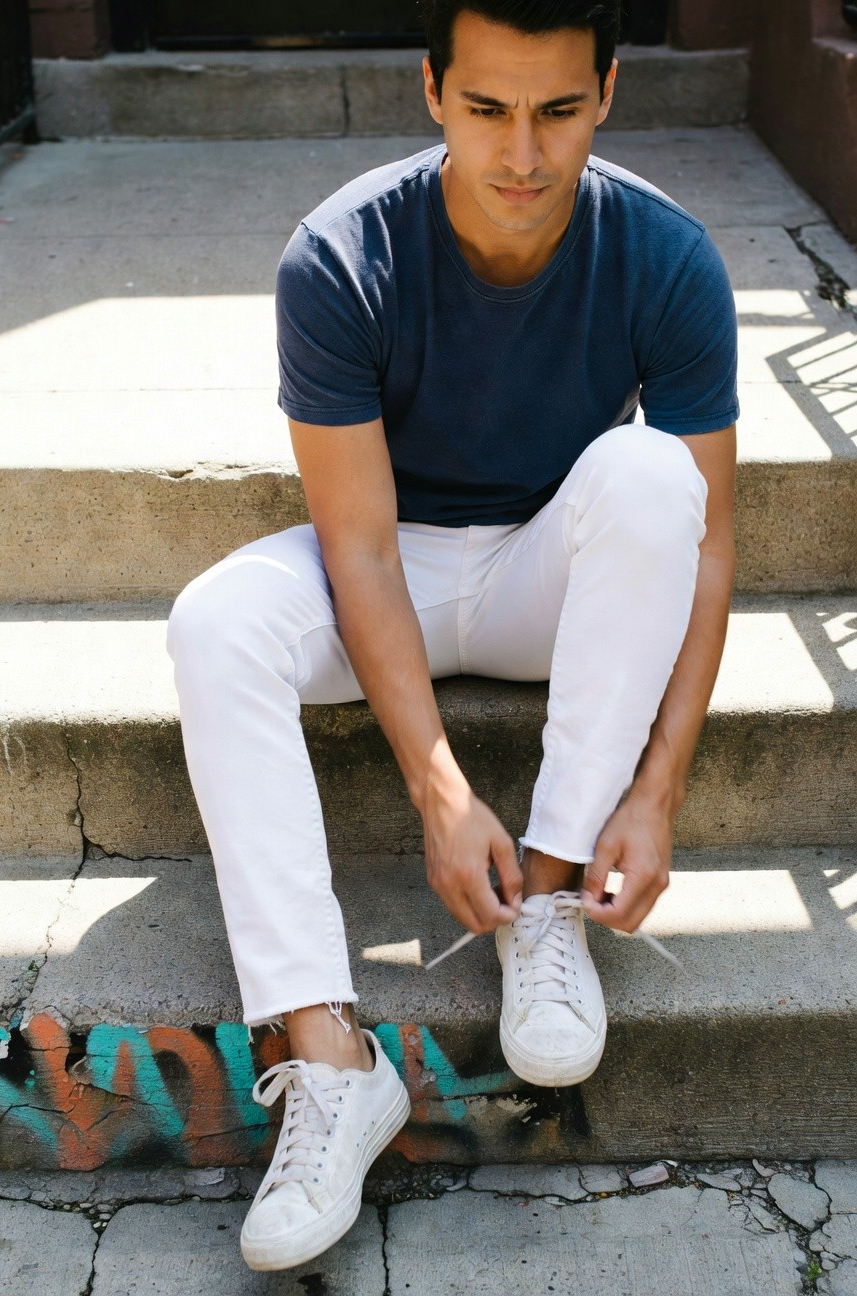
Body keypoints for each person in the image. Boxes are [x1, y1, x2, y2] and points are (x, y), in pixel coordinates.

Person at [166, 0, 738, 1272]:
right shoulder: (341, 257)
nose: (522, 154)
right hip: (399, 565)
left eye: (557, 110)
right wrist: (437, 788)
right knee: (214, 622)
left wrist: (661, 787)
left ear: (608, 95)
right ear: (432, 90)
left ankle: (546, 897)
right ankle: (326, 1062)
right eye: (487, 109)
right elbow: (358, 550)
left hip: (556, 567)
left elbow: (705, 546)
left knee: (655, 481)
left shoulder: (668, 256)